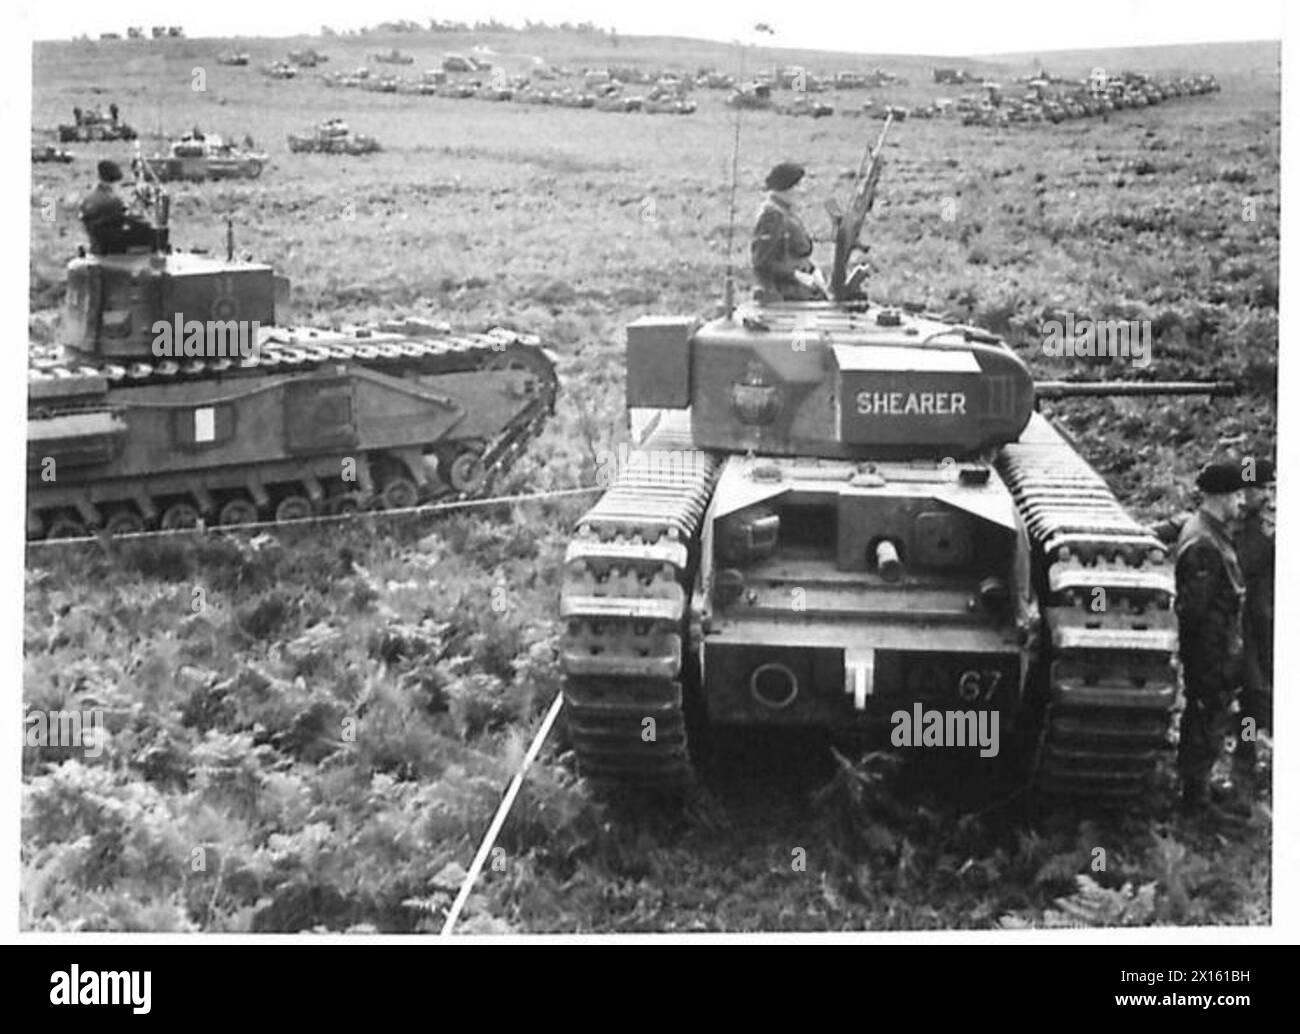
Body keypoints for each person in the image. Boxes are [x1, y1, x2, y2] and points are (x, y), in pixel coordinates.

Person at [1174, 462, 1248, 820]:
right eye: (1237, 494)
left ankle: (1199, 785)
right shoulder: (1204, 541)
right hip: (1210, 651)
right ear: (1223, 496)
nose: (1242, 501)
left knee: (1210, 717)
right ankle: (1195, 799)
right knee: (1206, 717)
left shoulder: (1212, 531)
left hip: (1217, 648)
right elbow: (1194, 609)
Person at [1234, 458, 1274, 782]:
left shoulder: (1265, 533)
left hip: (1263, 624)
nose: (1254, 495)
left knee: (1256, 696)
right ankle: (1242, 756)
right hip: (1240, 624)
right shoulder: (1236, 528)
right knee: (1250, 694)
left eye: (1258, 489)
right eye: (1248, 489)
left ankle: (1247, 754)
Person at [751, 161, 827, 301]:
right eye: (797, 186)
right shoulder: (771, 215)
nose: (802, 191)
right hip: (783, 294)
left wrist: (813, 270)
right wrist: (796, 275)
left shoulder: (785, 211)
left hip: (797, 289)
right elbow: (762, 262)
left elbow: (793, 253)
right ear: (785, 187)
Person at [79, 159, 155, 255]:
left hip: (96, 243)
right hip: (111, 245)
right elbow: (124, 218)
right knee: (150, 233)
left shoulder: (89, 199)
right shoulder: (113, 201)